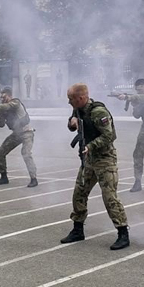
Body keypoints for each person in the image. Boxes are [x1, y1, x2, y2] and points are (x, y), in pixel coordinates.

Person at [60, 83, 129, 250]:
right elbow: (72, 125)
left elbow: (110, 135)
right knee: (79, 193)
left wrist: (91, 146)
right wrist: (72, 122)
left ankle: (122, 233)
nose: (69, 102)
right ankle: (78, 230)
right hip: (89, 160)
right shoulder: (78, 109)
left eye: (71, 99)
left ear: (81, 98)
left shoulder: (99, 112)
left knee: (109, 197)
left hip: (105, 159)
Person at [0, 87, 38, 188]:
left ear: (9, 95)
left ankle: (34, 178)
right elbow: (1, 124)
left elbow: (6, 106)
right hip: (16, 134)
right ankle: (3, 177)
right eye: (1, 97)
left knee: (26, 153)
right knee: (0, 152)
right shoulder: (4, 108)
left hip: (26, 132)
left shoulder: (15, 102)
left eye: (4, 96)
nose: (2, 99)